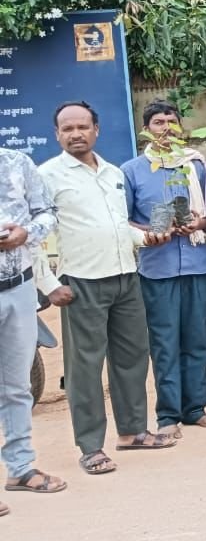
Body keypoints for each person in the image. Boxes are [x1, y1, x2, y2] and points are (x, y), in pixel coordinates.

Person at [40, 101, 175, 473]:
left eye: (82, 127)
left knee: (132, 357)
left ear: (96, 129)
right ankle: (90, 446)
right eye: (67, 129)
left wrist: (146, 238)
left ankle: (132, 432)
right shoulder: (47, 176)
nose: (75, 134)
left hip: (125, 276)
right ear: (57, 135)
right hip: (81, 282)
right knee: (85, 366)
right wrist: (50, 283)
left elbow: (118, 226)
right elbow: (34, 235)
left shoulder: (113, 172)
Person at [121, 99, 206, 438]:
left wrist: (199, 222)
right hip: (157, 267)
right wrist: (150, 234)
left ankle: (196, 409)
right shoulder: (133, 170)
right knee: (165, 341)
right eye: (158, 123)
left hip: (195, 265)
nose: (166, 129)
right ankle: (168, 416)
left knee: (197, 340)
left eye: (171, 122)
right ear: (146, 130)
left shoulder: (195, 167)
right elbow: (124, 222)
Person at [0, 147, 66, 512]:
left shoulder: (17, 162)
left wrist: (27, 233)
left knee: (17, 387)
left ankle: (21, 468)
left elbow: (48, 214)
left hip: (19, 289)